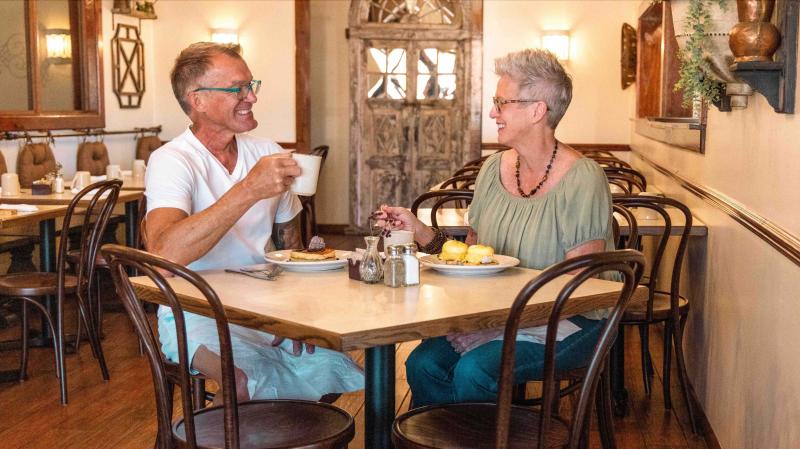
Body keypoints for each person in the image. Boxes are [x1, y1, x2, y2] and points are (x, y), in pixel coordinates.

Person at [377, 49, 616, 407]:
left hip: (573, 321)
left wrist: (499, 329)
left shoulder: (583, 178)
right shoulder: (492, 169)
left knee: (475, 371)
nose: (492, 112)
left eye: (501, 102)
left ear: (537, 111)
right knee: (422, 364)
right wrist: (420, 233)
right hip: (500, 313)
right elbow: (472, 261)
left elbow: (577, 291)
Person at [144, 42, 363, 402]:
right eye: (236, 89)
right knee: (246, 379)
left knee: (334, 366)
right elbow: (166, 254)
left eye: (251, 85)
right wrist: (249, 188)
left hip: (265, 308)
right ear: (197, 99)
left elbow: (291, 248)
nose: (251, 97)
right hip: (196, 309)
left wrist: (299, 314)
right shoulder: (172, 160)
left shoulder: (266, 152)